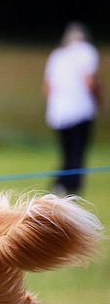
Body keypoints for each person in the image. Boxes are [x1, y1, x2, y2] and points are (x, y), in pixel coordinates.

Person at [44, 21, 103, 195]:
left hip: (59, 112)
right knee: (77, 151)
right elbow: (90, 81)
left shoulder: (57, 55)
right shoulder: (87, 52)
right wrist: (100, 99)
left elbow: (47, 87)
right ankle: (69, 186)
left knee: (67, 151)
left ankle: (61, 183)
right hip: (80, 110)